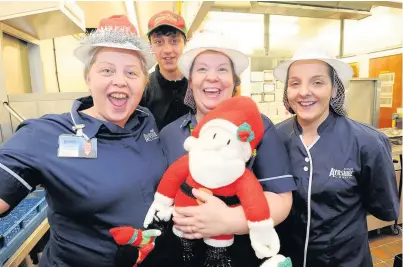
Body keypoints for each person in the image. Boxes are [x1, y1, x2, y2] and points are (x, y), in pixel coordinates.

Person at [0, 15, 168, 267]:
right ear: (89, 77)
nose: (120, 80)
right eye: (107, 70)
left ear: (144, 82)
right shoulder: (46, 134)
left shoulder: (146, 121)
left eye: (131, 72)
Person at [158, 31, 297, 267]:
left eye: (222, 69)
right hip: (181, 255)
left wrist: (229, 220)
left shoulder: (258, 128)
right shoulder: (169, 134)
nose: (212, 77)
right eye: (202, 69)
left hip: (240, 256)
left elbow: (281, 199)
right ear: (190, 81)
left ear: (234, 81)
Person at [273, 43, 399, 267]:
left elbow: (384, 207)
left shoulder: (367, 142)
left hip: (345, 260)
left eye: (317, 82)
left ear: (334, 89)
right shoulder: (275, 138)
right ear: (287, 91)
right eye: (295, 83)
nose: (304, 92)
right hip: (286, 259)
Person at [140, 10, 191, 130]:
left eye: (174, 41)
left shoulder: (199, 85)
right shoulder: (142, 88)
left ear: (185, 43)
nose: (167, 50)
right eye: (159, 42)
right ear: (150, 46)